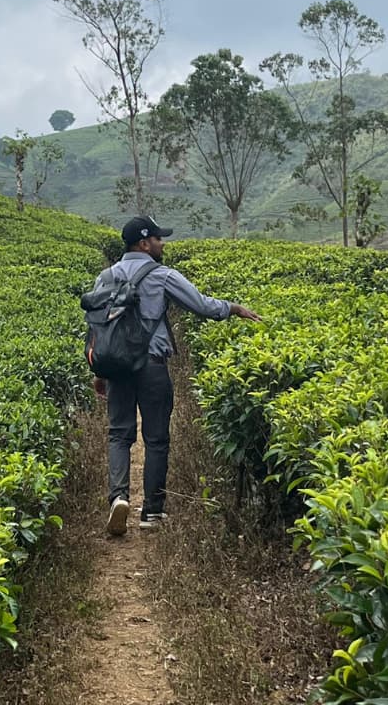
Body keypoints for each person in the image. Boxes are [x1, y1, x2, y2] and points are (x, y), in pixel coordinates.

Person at [92, 216, 261, 535]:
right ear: (144, 244)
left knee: (119, 434)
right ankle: (152, 513)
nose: (162, 243)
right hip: (152, 364)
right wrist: (234, 308)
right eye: (158, 238)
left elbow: (98, 325)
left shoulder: (106, 276)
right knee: (156, 438)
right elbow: (201, 306)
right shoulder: (162, 275)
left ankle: (118, 498)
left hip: (116, 365)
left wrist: (100, 370)